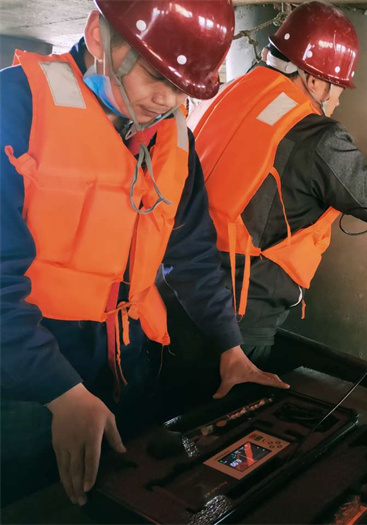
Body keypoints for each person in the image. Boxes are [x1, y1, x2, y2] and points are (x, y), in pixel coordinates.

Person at [0, 0, 287, 507]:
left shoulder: (174, 137)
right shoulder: (14, 108)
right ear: (96, 34)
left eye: (186, 88)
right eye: (158, 74)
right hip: (25, 388)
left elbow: (194, 256)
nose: (168, 98)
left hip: (127, 374)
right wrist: (59, 391)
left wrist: (231, 348)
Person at [173, 1, 367, 372]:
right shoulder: (316, 134)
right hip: (239, 316)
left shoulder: (228, 94)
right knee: (223, 417)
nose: (338, 99)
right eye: (338, 87)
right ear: (313, 79)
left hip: (180, 285)